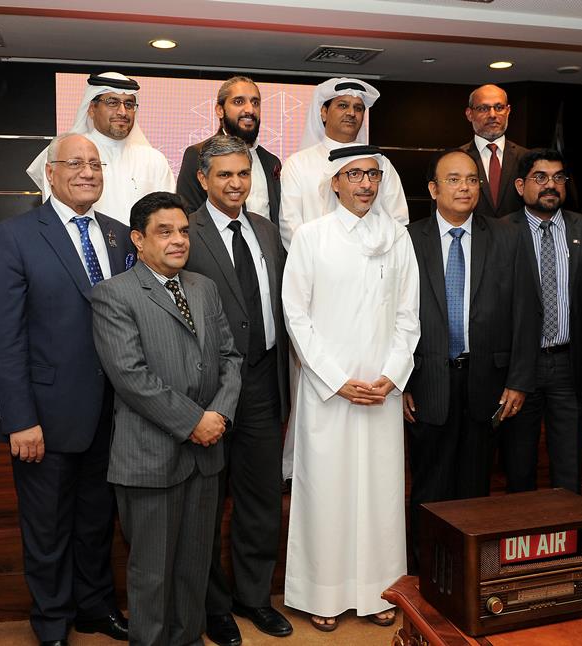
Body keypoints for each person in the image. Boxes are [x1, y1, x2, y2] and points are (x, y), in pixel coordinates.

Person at [0, 133, 132, 645]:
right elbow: (4, 338)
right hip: (44, 415)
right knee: (46, 529)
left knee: (96, 522)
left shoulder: (119, 235)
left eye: (96, 163)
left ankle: (94, 607)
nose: (88, 171)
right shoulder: (16, 236)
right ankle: (50, 621)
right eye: (75, 163)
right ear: (50, 173)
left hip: (113, 413)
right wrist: (19, 417)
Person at [91, 191, 243, 646]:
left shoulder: (203, 287)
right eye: (165, 231)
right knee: (153, 576)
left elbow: (231, 358)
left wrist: (219, 414)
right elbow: (130, 377)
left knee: (194, 569)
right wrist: (195, 421)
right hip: (150, 458)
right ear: (138, 239)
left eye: (183, 231)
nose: (178, 240)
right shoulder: (113, 295)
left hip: (205, 456)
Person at [283, 145, 420, 632]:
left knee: (380, 496)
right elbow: (296, 316)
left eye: (373, 175)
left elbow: (409, 316)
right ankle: (323, 593)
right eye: (355, 174)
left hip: (380, 392)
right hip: (330, 392)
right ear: (334, 183)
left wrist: (392, 374)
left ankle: (377, 591)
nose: (365, 183)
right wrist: (336, 380)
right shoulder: (310, 237)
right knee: (326, 492)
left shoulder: (397, 237)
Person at [403, 149, 538, 567]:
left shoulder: (508, 236)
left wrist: (518, 380)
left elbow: (527, 311)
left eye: (472, 180)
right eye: (454, 179)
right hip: (426, 381)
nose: (465, 187)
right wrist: (401, 381)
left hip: (488, 382)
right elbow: (389, 314)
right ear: (432, 189)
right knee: (429, 485)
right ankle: (426, 572)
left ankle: (469, 573)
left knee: (476, 488)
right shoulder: (407, 239)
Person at [184, 135, 291, 646]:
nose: (235, 184)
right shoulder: (187, 229)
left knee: (261, 498)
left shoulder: (268, 232)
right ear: (203, 179)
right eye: (224, 175)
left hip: (266, 382)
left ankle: (254, 597)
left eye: (243, 174)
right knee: (209, 499)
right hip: (209, 389)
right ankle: (215, 606)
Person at [501, 149, 582, 494]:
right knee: (517, 465)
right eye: (540, 177)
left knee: (569, 464)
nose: (551, 185)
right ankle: (523, 540)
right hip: (518, 367)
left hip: (568, 364)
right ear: (520, 185)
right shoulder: (500, 232)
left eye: (558, 178)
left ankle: (567, 544)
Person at [26, 71, 174, 224]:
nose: (122, 112)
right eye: (112, 102)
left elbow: (167, 217)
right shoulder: (62, 155)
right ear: (91, 109)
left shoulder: (154, 159)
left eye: (129, 104)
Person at [278, 77, 409, 249]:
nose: (351, 113)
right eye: (342, 105)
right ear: (323, 112)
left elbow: (397, 219)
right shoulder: (298, 163)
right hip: (317, 266)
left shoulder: (380, 163)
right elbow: (290, 225)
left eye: (358, 108)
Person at [177, 76, 283, 226]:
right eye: (239, 102)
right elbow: (189, 218)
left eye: (255, 102)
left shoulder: (271, 161)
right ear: (220, 110)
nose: (249, 109)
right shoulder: (197, 154)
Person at [460, 84, 527, 219]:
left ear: (508, 111)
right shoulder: (455, 159)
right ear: (469, 114)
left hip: (516, 238)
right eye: (483, 108)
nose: (492, 115)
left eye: (499, 107)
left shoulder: (527, 158)